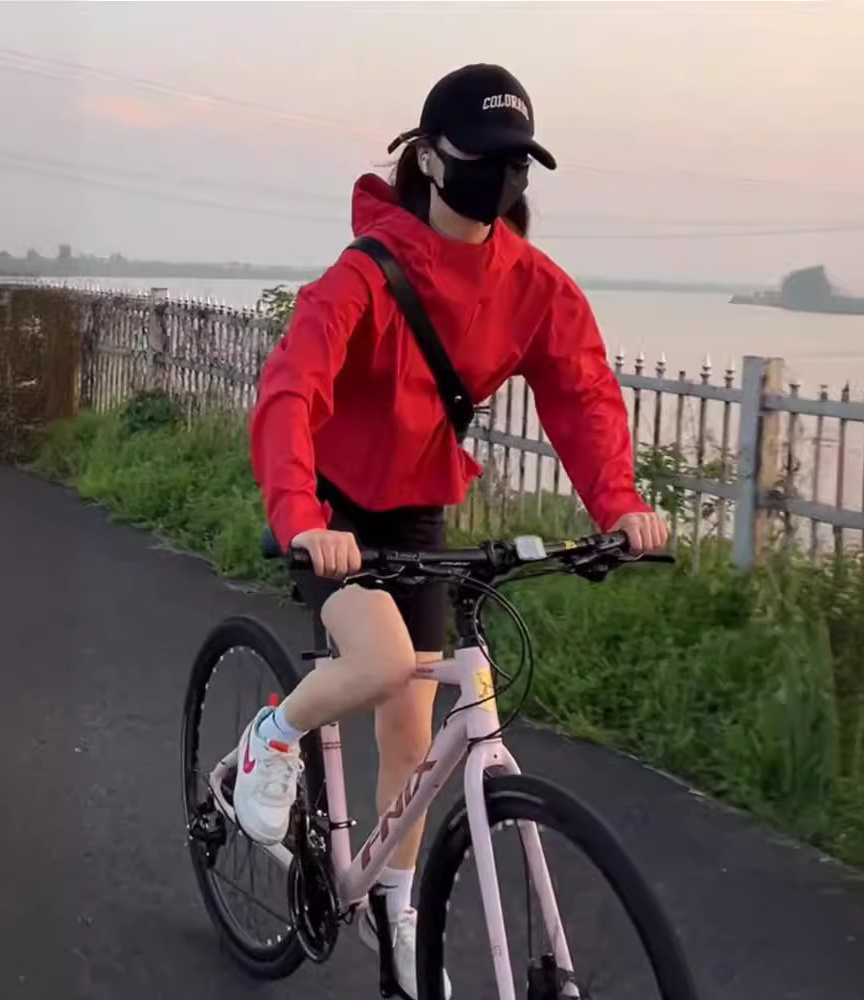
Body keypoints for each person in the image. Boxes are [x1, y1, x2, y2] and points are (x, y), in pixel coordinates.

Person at [231, 63, 669, 999]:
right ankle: (273, 735)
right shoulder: (366, 272)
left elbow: (583, 393)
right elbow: (292, 389)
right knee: (384, 661)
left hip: (417, 506)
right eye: (485, 157)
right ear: (429, 159)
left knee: (413, 727)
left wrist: (619, 506)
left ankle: (396, 909)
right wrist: (301, 516)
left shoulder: (533, 285)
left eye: (519, 163)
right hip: (329, 505)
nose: (503, 178)